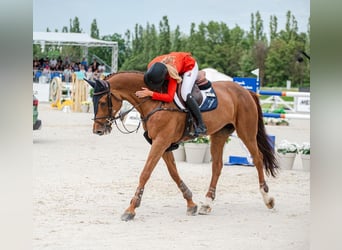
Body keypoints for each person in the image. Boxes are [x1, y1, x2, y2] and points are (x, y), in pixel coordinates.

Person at [135, 51, 207, 136]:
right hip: (174, 64)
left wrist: (151, 94)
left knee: (185, 94)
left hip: (189, 66)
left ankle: (201, 125)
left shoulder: (172, 73)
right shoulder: (152, 65)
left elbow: (169, 97)